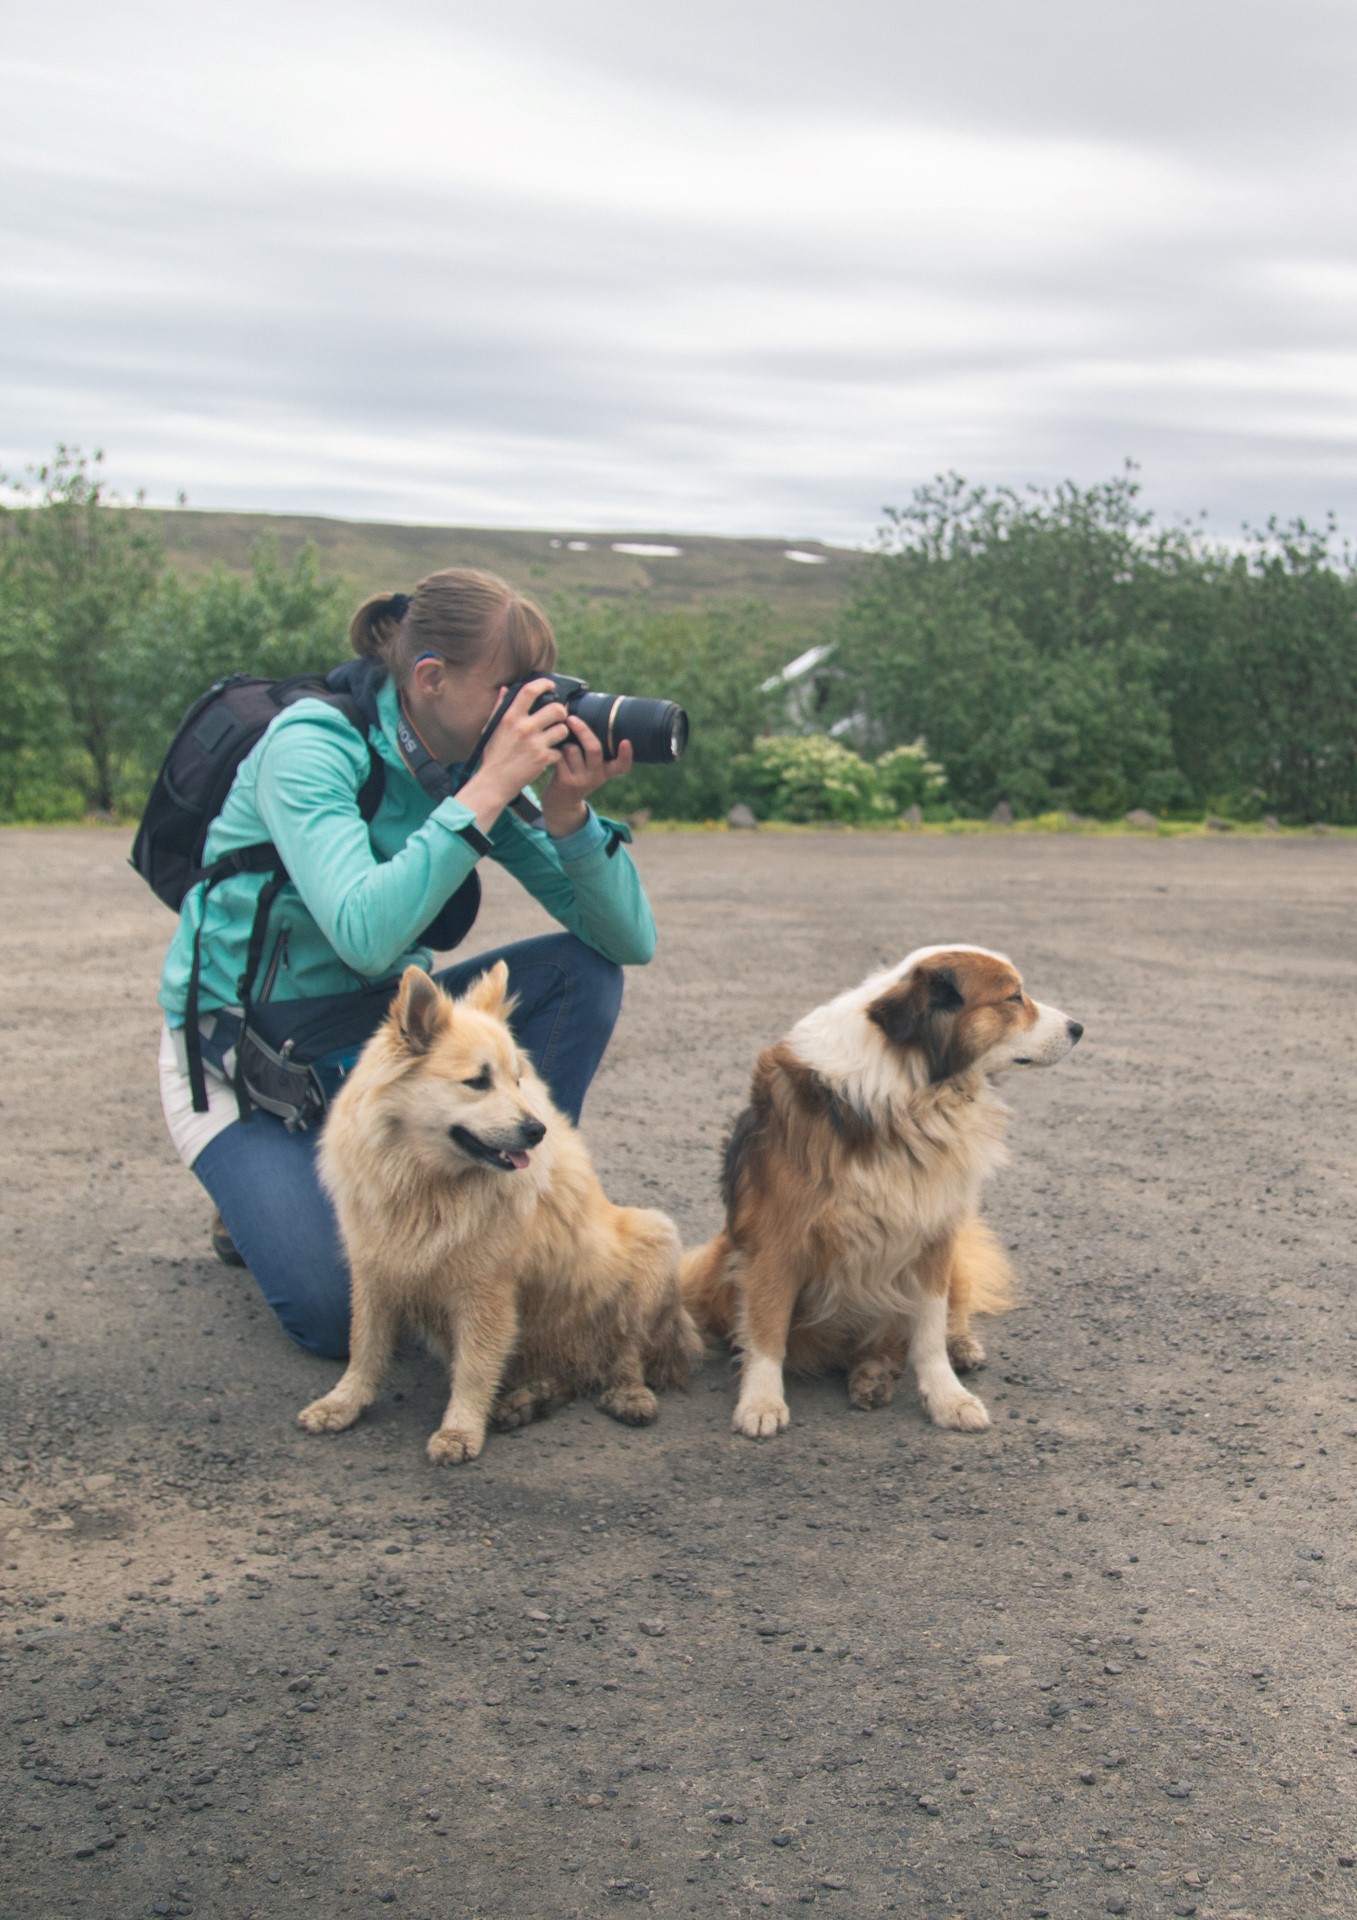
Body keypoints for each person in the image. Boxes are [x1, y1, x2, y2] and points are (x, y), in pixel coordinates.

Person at [157, 566, 655, 1361]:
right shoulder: (312, 746)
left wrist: (570, 820)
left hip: (397, 1043)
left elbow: (627, 941)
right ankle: (249, 1201)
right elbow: (362, 932)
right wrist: (487, 790)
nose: (531, 710)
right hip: (252, 1066)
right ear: (430, 678)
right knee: (337, 1313)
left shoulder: (467, 761)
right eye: (509, 688)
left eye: (539, 687)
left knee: (581, 976)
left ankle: (496, 1202)